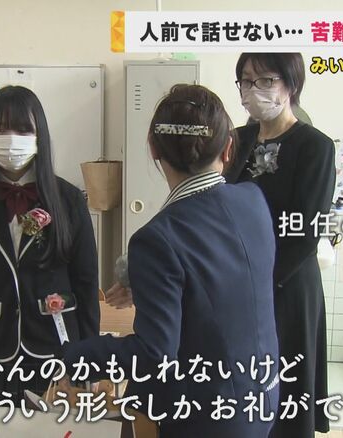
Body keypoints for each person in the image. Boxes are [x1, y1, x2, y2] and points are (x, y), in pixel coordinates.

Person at [64, 84, 279, 437]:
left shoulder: (157, 238)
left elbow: (154, 356)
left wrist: (76, 356)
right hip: (262, 395)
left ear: (153, 148)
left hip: (208, 417)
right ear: (228, 148)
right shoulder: (252, 200)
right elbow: (229, 287)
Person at [0, 85, 100, 437]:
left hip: (53, 356)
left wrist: (88, 364)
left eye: (23, 129)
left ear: (39, 136)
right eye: (0, 129)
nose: (11, 139)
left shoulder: (69, 200)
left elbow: (87, 286)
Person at [224, 53, 335, 436]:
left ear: (291, 84)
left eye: (266, 80)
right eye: (246, 81)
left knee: (287, 386)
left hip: (287, 282)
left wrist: (259, 282)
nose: (254, 90)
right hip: (238, 280)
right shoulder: (236, 141)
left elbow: (306, 231)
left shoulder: (315, 146)